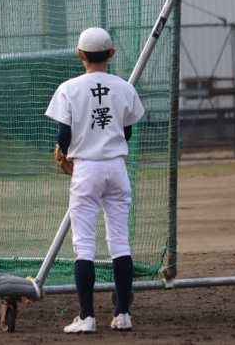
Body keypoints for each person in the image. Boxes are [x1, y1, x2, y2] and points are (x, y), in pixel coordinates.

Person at [45, 27, 144, 334]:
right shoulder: (124, 87)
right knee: (120, 242)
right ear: (111, 54)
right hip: (116, 167)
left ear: (80, 55)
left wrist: (64, 151)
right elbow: (126, 132)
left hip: (86, 169)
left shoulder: (69, 88)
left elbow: (64, 134)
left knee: (84, 245)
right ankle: (123, 314)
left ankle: (87, 317)